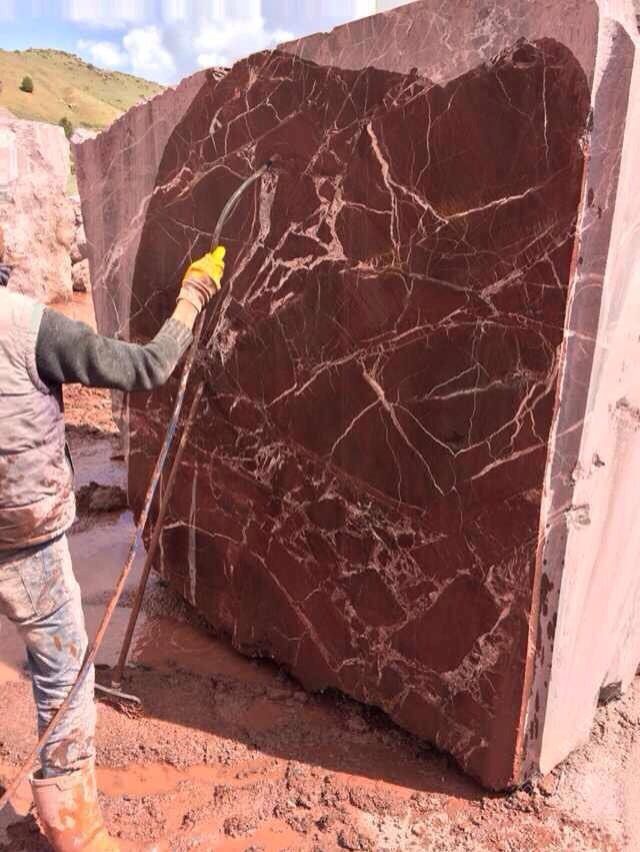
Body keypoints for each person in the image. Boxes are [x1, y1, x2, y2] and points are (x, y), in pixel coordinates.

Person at [0, 232, 226, 852]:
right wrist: (192, 297)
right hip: (26, 542)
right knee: (65, 672)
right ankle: (75, 830)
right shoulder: (27, 326)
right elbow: (146, 367)